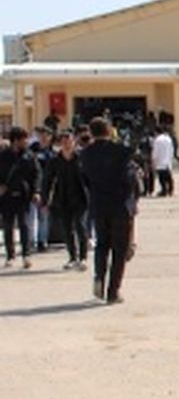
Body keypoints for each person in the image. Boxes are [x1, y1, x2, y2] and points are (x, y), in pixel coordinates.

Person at [79, 118, 135, 302]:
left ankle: (99, 277)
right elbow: (129, 179)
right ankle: (113, 290)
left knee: (102, 244)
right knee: (120, 249)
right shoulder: (121, 151)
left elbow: (84, 180)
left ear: (91, 132)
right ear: (110, 130)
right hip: (120, 204)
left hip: (98, 204)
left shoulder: (85, 154)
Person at [43, 131, 89, 270]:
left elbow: (90, 178)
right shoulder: (55, 161)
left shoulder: (82, 159)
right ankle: (72, 257)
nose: (67, 145)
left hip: (80, 198)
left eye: (69, 142)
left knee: (80, 226)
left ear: (74, 142)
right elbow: (47, 181)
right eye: (64, 142)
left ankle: (83, 257)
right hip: (62, 199)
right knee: (67, 229)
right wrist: (45, 200)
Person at [0, 127, 40, 269]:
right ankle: (10, 256)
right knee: (8, 226)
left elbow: (36, 174)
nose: (26, 142)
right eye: (24, 139)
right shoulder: (3, 156)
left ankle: (26, 255)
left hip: (23, 195)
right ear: (16, 141)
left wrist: (36, 191)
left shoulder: (29, 156)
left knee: (24, 225)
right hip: (6, 196)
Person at [151, 126, 176, 197]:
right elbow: (172, 149)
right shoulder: (168, 139)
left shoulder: (157, 140)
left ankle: (164, 190)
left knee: (161, 178)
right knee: (168, 176)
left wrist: (153, 159)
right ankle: (171, 190)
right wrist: (171, 157)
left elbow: (155, 151)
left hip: (160, 161)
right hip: (167, 160)